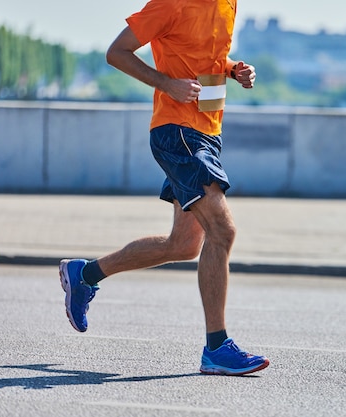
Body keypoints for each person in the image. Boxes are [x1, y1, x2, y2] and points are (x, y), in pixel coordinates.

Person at [58, 0, 269, 376]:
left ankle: (84, 275)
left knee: (184, 246)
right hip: (177, 132)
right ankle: (217, 347)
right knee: (223, 231)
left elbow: (203, 55)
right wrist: (165, 83)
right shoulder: (171, 3)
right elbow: (116, 52)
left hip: (207, 132)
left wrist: (233, 68)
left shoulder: (228, 4)